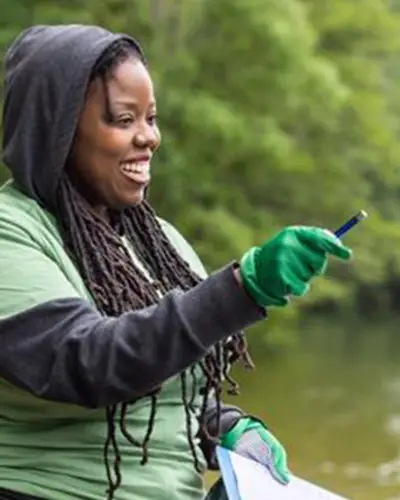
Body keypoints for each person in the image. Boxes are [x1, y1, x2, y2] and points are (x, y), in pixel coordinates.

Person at [0, 25, 352, 500]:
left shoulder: (161, 242)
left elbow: (175, 389)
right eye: (123, 120)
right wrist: (239, 289)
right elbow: (86, 362)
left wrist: (224, 427)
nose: (149, 138)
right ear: (57, 131)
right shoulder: (11, 231)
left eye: (151, 118)